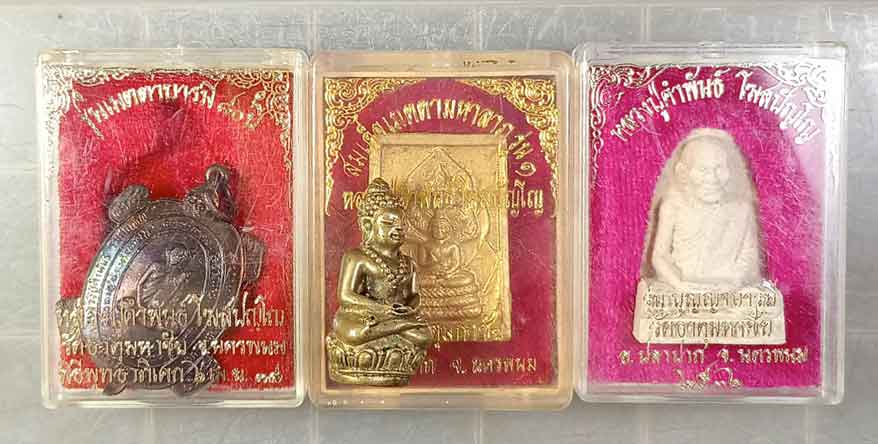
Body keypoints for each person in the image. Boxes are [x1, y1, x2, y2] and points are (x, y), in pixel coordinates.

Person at [648, 128, 761, 292]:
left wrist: (733, 283)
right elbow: (660, 257)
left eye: (719, 168)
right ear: (683, 173)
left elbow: (749, 257)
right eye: (703, 170)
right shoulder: (673, 206)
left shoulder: (741, 210)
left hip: (728, 291)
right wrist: (680, 285)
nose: (712, 178)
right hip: (681, 290)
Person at [331, 178, 433, 349]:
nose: (398, 228)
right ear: (367, 225)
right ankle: (398, 328)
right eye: (388, 223)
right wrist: (381, 309)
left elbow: (414, 295)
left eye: (402, 224)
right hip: (368, 316)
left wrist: (410, 309)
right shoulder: (357, 257)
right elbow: (346, 295)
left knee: (424, 336)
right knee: (355, 332)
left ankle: (398, 326)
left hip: (398, 315)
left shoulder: (409, 263)